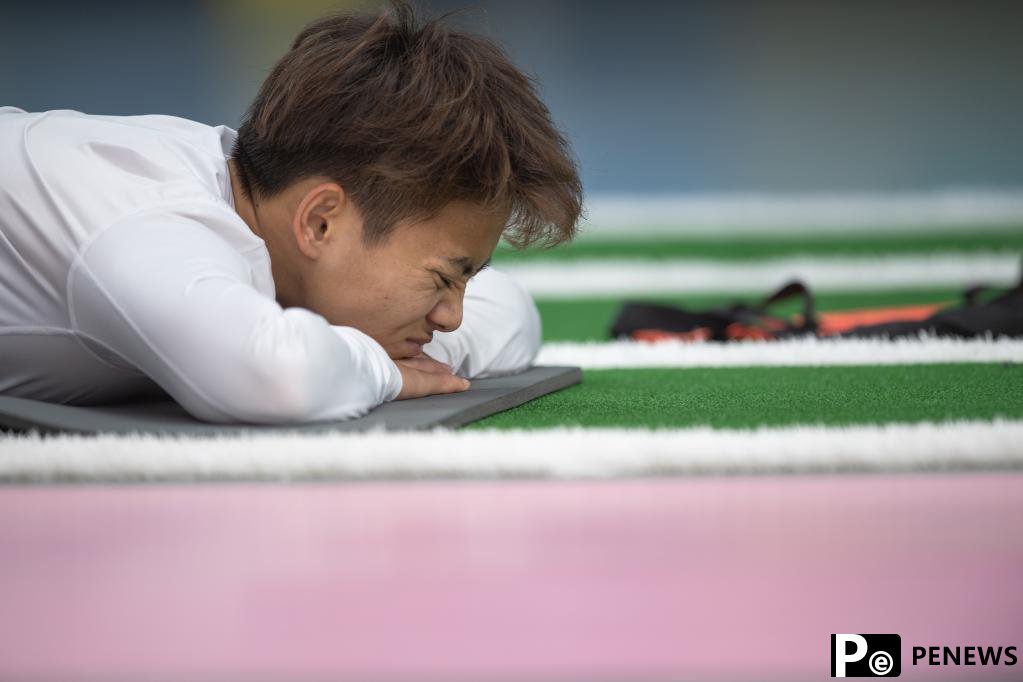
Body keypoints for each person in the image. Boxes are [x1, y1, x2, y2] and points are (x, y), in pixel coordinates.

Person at [0, 0, 582, 425]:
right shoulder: (145, 219)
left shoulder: (250, 202)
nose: (453, 317)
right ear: (319, 221)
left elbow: (511, 313)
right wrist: (389, 370)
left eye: (463, 280)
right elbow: (276, 377)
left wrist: (366, 354)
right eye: (440, 278)